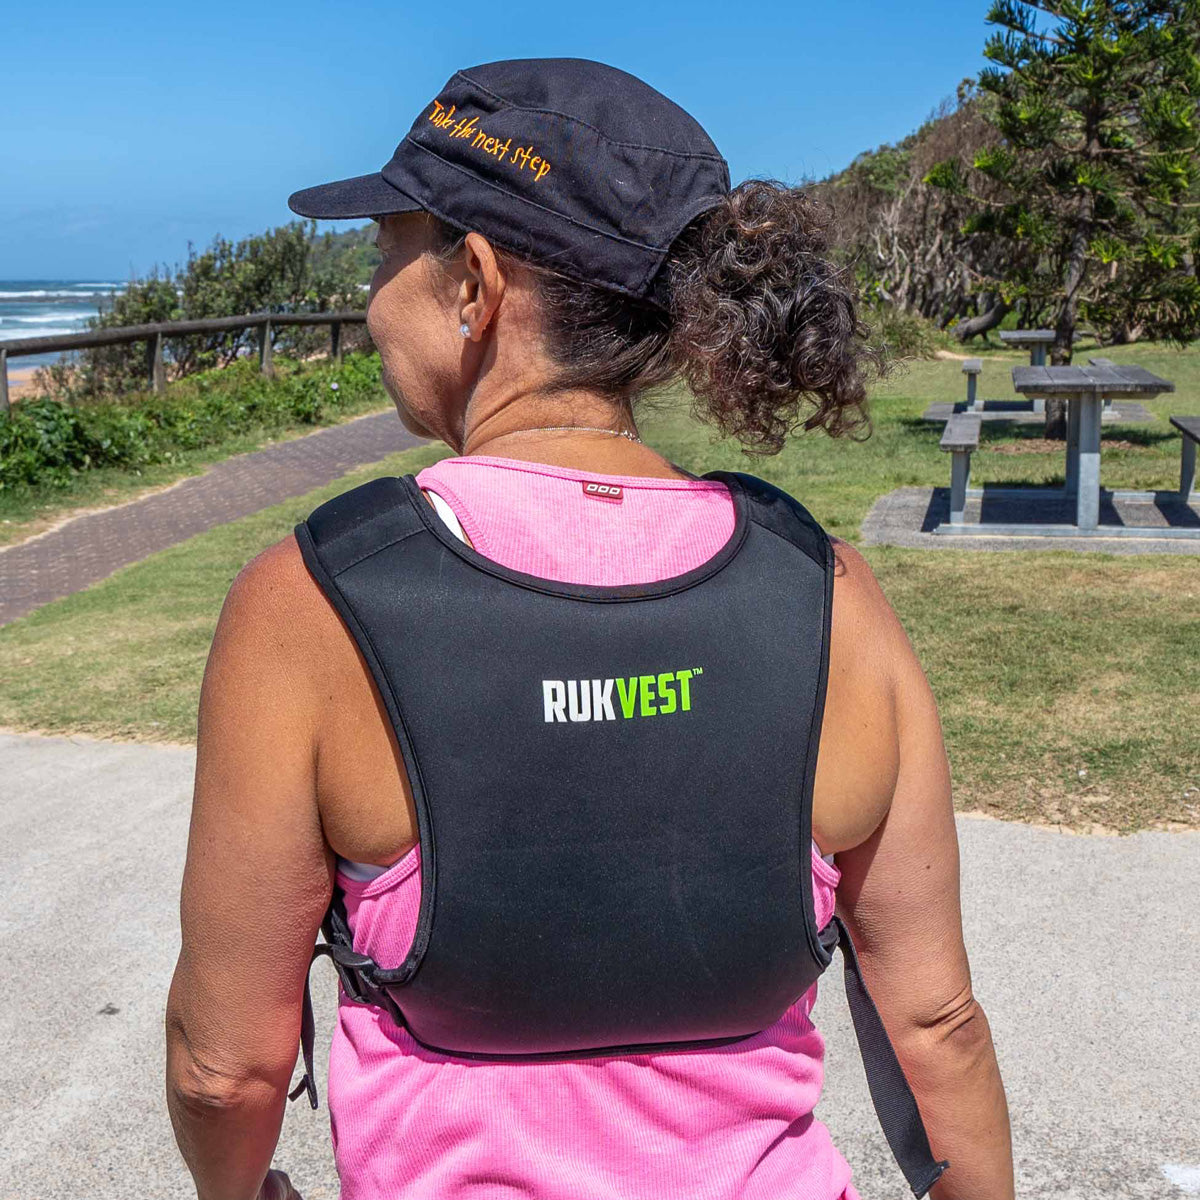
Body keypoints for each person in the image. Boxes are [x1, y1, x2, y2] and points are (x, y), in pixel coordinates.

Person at [165, 58, 1014, 1200]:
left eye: (383, 253)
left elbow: (227, 1070)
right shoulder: (826, 595)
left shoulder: (314, 605)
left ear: (473, 285)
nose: (370, 296)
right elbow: (937, 1025)